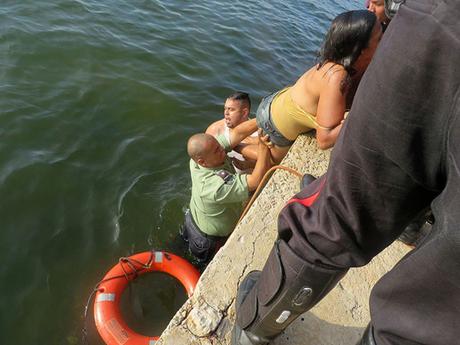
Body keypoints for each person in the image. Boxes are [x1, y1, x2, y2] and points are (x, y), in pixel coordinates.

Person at [232, 1, 460, 345]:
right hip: (276, 120)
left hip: (446, 30)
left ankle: (255, 327)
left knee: (339, 213)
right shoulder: (336, 76)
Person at [257, 10, 382, 164]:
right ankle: (240, 148)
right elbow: (324, 140)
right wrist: (358, 117)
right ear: (362, 51)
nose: (385, 40)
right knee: (266, 162)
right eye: (380, 38)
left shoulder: (339, 61)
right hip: (274, 126)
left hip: (275, 103)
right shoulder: (337, 76)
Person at [183, 119, 271, 263]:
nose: (222, 149)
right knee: (198, 266)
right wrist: (263, 148)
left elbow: (237, 133)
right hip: (205, 242)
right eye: (217, 150)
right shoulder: (214, 187)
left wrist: (264, 118)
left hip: (192, 219)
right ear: (202, 161)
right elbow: (256, 180)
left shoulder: (198, 159)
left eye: (218, 145)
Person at [206, 92, 258, 171]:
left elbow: (267, 160)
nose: (226, 113)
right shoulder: (215, 130)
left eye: (231, 109)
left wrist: (249, 165)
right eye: (225, 108)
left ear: (244, 113)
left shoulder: (258, 134)